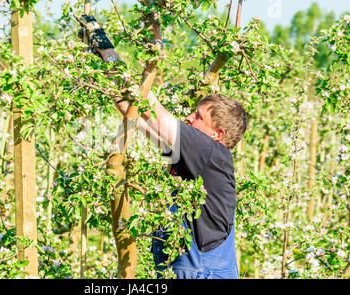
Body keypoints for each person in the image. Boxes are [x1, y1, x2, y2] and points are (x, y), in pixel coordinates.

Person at [75, 15, 247, 279]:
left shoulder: (210, 152)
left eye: (199, 117)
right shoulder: (195, 160)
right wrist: (102, 63)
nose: (189, 118)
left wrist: (109, 52)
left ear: (218, 133)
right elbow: (136, 112)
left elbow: (152, 109)